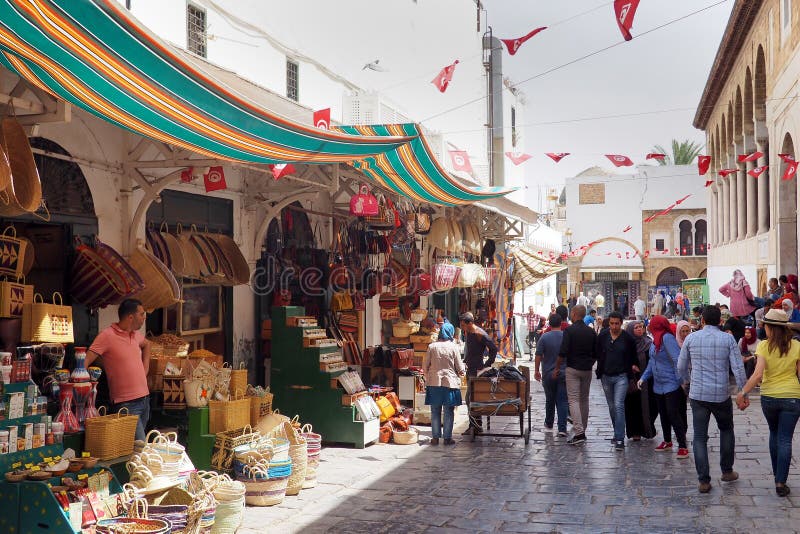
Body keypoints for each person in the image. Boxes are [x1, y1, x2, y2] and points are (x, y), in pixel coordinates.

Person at [678, 305, 747, 493]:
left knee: (699, 437)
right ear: (720, 321)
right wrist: (743, 390)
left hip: (698, 394)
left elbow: (681, 365)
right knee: (726, 430)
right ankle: (727, 470)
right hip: (720, 394)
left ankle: (704, 480)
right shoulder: (728, 339)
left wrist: (687, 381)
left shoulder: (691, 338)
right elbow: (738, 367)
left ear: (702, 320)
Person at [736, 309, 800, 497]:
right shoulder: (796, 346)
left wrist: (743, 392)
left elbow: (757, 375)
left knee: (774, 433)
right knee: (785, 438)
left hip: (770, 397)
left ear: (771, 328)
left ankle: (776, 475)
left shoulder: (764, 346)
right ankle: (781, 481)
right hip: (792, 396)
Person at [86, 299, 151, 442]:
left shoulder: (135, 335)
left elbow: (147, 345)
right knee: (139, 447)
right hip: (126, 403)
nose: (144, 317)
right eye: (142, 314)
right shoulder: (107, 335)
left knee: (134, 447)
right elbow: (85, 361)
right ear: (130, 317)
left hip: (145, 399)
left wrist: (145, 369)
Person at [640, 316, 689, 459]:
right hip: (658, 384)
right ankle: (667, 441)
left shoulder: (667, 338)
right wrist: (644, 377)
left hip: (671, 383)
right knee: (663, 413)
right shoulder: (655, 340)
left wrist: (681, 380)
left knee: (673, 414)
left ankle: (682, 445)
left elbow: (676, 360)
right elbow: (652, 362)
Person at [595, 312, 639, 450]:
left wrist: (633, 366)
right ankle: (617, 431)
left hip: (622, 376)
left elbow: (633, 356)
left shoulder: (627, 339)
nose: (614, 326)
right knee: (612, 406)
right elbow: (597, 353)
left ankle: (620, 438)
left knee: (619, 405)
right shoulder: (603, 336)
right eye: (612, 323)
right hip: (606, 376)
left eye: (617, 324)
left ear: (621, 323)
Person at [555, 305, 597, 445]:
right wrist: (590, 363)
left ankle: (579, 432)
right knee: (584, 399)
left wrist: (557, 367)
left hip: (572, 368)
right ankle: (582, 429)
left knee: (573, 400)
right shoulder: (591, 332)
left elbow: (563, 351)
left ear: (573, 314)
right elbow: (596, 352)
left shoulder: (569, 331)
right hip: (586, 369)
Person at [424, 321, 465, 445]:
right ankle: (447, 438)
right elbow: (460, 368)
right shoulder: (454, 347)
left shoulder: (432, 346)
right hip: (450, 383)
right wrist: (462, 372)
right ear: (451, 333)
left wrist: (428, 377)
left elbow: (425, 366)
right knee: (449, 411)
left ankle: (435, 438)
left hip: (434, 383)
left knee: (435, 411)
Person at [460, 312, 498, 434]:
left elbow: (493, 348)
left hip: (477, 370)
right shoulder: (469, 332)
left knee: (470, 397)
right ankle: (475, 425)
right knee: (471, 398)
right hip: (470, 368)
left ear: (469, 323)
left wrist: (487, 364)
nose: (462, 328)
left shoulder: (479, 333)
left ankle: (475, 425)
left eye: (463, 325)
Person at [534, 313, 568, 436]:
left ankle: (549, 422)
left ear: (550, 324)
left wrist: (536, 370)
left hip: (548, 373)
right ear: (561, 323)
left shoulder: (544, 337)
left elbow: (538, 355)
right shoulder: (566, 336)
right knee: (562, 400)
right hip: (563, 372)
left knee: (550, 399)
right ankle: (562, 428)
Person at [624, 320, 657, 442]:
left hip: (648, 381)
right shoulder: (626, 344)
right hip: (632, 381)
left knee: (651, 406)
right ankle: (635, 433)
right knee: (633, 407)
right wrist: (630, 366)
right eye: (636, 327)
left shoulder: (649, 343)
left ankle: (648, 430)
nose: (639, 329)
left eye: (641, 327)